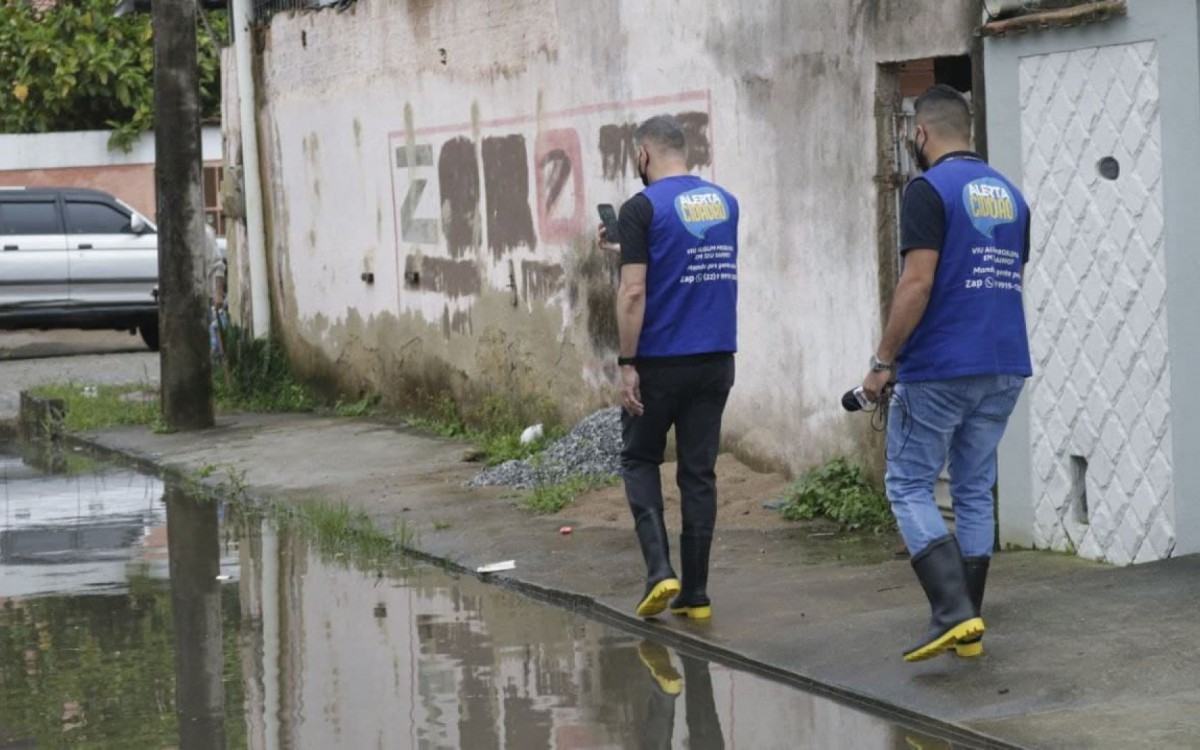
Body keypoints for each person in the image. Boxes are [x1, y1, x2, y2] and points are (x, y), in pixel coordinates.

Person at [860, 84, 1032, 662]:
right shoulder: (1011, 196)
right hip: (1004, 363)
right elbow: (1006, 280)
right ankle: (970, 625)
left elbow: (918, 282)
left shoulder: (927, 190)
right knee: (974, 485)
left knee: (908, 483)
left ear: (922, 134)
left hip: (940, 366)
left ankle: (952, 612)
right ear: (970, 133)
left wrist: (882, 363)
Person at [599, 115, 739, 620]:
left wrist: (627, 363)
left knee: (639, 459)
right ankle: (696, 595)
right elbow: (684, 253)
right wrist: (625, 245)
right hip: (716, 360)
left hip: (660, 361)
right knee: (698, 473)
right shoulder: (725, 203)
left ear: (643, 155)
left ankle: (660, 572)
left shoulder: (641, 207)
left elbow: (634, 290)